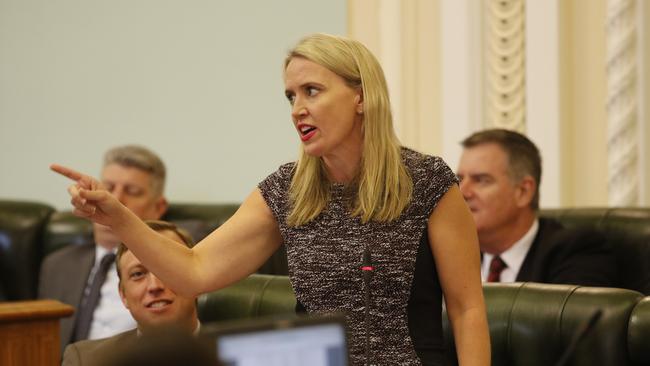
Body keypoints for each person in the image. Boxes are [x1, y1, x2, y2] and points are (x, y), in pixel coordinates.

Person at [52, 33, 490, 366]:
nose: (297, 108)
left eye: (312, 91)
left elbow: (467, 309)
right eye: (290, 96)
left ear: (360, 96)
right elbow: (194, 270)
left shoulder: (427, 181)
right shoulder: (287, 191)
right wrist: (120, 216)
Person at [39, 145, 168, 351]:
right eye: (108, 188)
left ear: (159, 207)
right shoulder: (56, 265)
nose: (114, 199)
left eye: (132, 191)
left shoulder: (169, 263)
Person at [457, 128, 616, 285]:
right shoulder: (451, 255)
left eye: (481, 180)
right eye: (459, 179)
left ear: (523, 191)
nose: (462, 192)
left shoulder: (576, 252)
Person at [62, 220, 201, 366]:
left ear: (197, 281)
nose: (154, 286)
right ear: (123, 295)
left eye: (167, 267)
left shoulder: (225, 351)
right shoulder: (85, 360)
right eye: (138, 274)